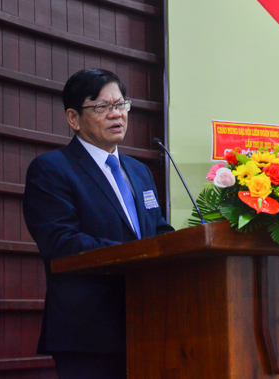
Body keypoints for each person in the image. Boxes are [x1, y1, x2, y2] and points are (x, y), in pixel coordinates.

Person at [23, 69, 174, 379]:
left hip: (148, 324)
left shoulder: (139, 171)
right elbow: (61, 243)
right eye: (102, 107)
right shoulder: (52, 169)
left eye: (121, 104)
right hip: (88, 333)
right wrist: (136, 256)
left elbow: (156, 229)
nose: (116, 114)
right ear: (73, 118)